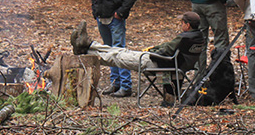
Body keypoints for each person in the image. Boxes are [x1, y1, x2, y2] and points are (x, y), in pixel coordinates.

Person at [71, 12, 205, 105]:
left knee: (117, 57)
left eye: (182, 23)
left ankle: (86, 50)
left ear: (187, 25)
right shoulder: (198, 38)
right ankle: (88, 44)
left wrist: (153, 50)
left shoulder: (185, 37)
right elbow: (170, 50)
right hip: (167, 64)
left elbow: (166, 50)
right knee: (120, 51)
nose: (181, 25)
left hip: (157, 64)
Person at [91, 0, 139, 97]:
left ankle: (126, 86)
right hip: (101, 15)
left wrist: (121, 12)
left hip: (115, 17)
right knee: (109, 50)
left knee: (119, 51)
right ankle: (115, 83)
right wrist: (95, 9)